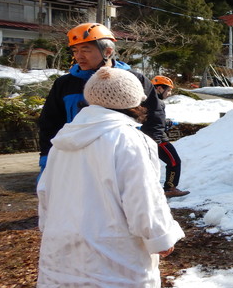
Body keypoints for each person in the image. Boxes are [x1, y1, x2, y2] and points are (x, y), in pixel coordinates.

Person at [32, 67, 185, 288]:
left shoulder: (64, 141)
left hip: (65, 246)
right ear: (134, 102)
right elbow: (144, 201)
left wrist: (52, 230)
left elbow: (46, 193)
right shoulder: (130, 140)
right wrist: (161, 239)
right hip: (113, 252)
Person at [38, 23, 166, 181]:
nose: (79, 56)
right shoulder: (64, 84)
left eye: (86, 50)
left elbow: (154, 115)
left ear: (108, 51)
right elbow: (49, 123)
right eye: (75, 51)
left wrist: (147, 147)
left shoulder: (134, 80)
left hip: (123, 155)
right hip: (76, 158)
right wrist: (47, 156)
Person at [152, 75, 190, 198]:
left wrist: (166, 123)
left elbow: (155, 120)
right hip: (158, 138)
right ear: (159, 89)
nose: (170, 93)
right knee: (174, 162)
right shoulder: (155, 102)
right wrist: (165, 125)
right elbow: (153, 122)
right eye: (168, 90)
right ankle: (169, 188)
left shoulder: (151, 101)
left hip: (155, 137)